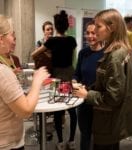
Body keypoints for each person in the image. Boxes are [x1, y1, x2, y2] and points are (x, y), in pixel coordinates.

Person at [72, 9, 132, 150]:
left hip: (108, 121)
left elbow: (113, 97)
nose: (94, 31)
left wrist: (86, 94)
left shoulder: (114, 56)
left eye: (98, 26)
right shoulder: (117, 51)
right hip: (109, 120)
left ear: (112, 27)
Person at [0, 14, 50, 150]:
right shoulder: (3, 72)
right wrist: (37, 81)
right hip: (8, 144)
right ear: (1, 39)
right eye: (12, 35)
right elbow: (26, 111)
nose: (14, 41)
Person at [32, 10, 77, 150]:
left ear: (56, 27)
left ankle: (61, 142)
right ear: (67, 27)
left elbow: (34, 54)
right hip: (69, 76)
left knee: (58, 111)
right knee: (71, 110)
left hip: (56, 78)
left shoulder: (51, 41)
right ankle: (72, 141)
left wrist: (49, 54)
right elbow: (70, 57)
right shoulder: (72, 40)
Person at [72, 20, 104, 150]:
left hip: (99, 102)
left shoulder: (107, 54)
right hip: (83, 101)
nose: (90, 36)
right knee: (85, 135)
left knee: (99, 138)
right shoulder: (83, 53)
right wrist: (74, 81)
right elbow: (77, 74)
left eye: (94, 33)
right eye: (88, 33)